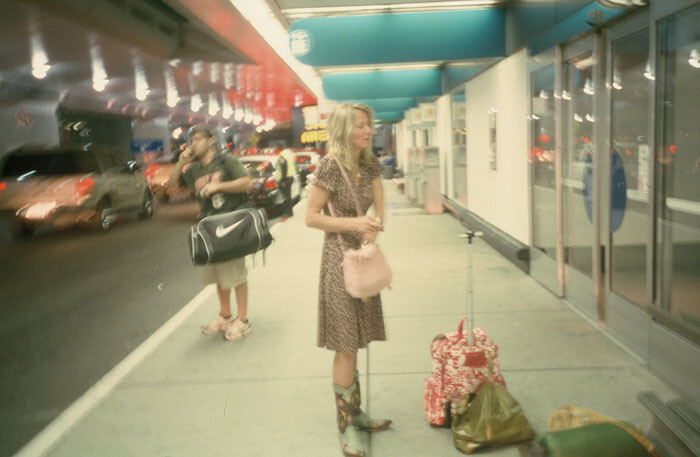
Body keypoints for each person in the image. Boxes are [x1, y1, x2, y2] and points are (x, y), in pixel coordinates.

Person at [305, 103, 391, 457]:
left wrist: (375, 226)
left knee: (356, 339)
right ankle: (346, 427)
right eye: (359, 126)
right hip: (338, 261)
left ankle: (356, 413)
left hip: (364, 258)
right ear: (343, 130)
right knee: (345, 345)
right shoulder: (329, 166)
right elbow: (311, 216)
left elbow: (380, 204)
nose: (367, 131)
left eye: (368, 125)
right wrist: (355, 224)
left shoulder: (370, 163)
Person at [169, 124, 255, 342]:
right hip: (209, 227)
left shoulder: (226, 161)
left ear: (210, 141)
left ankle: (242, 320)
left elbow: (247, 183)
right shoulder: (194, 170)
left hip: (231, 222)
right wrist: (180, 162)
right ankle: (225, 316)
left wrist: (218, 187)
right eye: (191, 140)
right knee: (218, 275)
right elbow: (172, 186)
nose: (194, 144)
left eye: (198, 139)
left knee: (236, 273)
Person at [274, 148, 297, 217]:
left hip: (285, 179)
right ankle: (289, 212)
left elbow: (284, 168)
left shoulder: (282, 156)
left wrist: (283, 181)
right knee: (288, 196)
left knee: (286, 197)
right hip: (290, 177)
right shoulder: (289, 155)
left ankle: (288, 213)